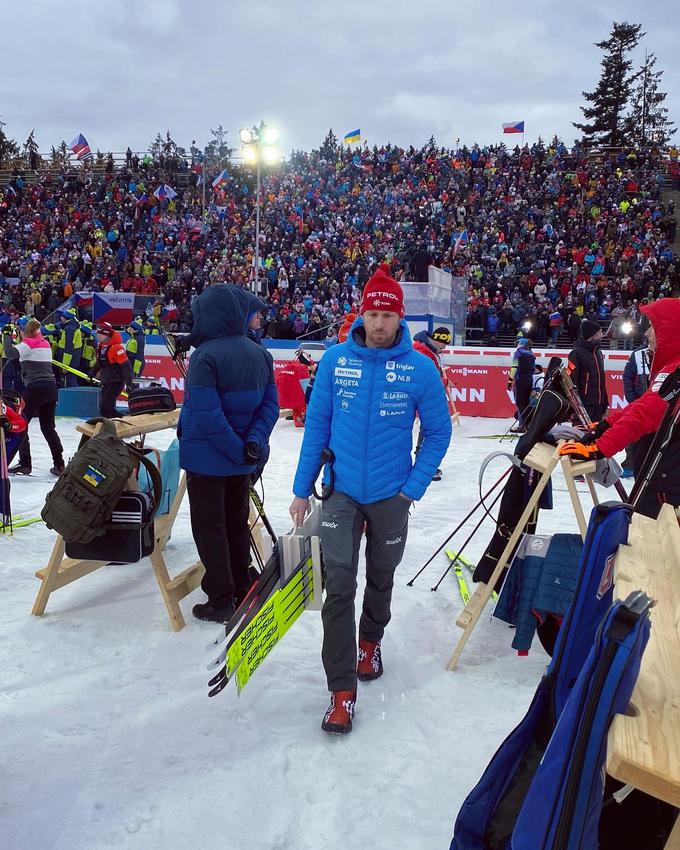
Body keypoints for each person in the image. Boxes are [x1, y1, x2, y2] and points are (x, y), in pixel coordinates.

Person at [289, 265, 452, 734]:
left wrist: (411, 489)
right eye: (373, 313)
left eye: (388, 315)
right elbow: (316, 428)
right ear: (361, 313)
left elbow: (438, 433)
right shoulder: (337, 360)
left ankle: (370, 641)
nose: (379, 323)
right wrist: (302, 489)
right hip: (341, 493)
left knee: (381, 575)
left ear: (401, 319)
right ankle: (341, 691)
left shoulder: (420, 367)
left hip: (390, 496)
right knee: (338, 585)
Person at [178, 283, 279, 624]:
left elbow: (207, 415)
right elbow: (270, 407)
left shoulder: (205, 357)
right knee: (236, 523)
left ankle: (220, 598)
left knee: (210, 527)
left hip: (209, 460)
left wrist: (237, 449)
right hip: (242, 459)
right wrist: (251, 443)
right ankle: (242, 583)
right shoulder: (260, 354)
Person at [559, 300, 680, 519]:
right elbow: (642, 405)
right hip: (663, 477)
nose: (648, 334)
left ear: (670, 332)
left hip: (666, 484)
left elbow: (644, 414)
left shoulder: (675, 371)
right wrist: (605, 426)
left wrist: (599, 448)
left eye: (653, 327)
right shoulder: (672, 367)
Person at [4, 318, 65, 476]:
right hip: (50, 388)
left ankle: (25, 464)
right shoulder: (44, 342)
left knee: (21, 423)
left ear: (24, 330)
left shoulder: (28, 344)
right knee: (48, 428)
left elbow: (10, 353)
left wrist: (6, 336)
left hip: (35, 388)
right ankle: (59, 464)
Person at [413, 325, 453, 480]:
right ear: (437, 340)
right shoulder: (423, 351)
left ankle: (423, 465)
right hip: (424, 397)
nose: (444, 347)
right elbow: (427, 375)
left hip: (426, 396)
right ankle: (423, 467)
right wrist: (444, 381)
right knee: (429, 431)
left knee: (427, 430)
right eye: (444, 344)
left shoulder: (428, 350)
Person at [566, 318, 608, 422]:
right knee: (581, 437)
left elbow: (601, 381)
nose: (602, 335)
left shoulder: (598, 352)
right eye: (599, 333)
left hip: (598, 406)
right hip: (583, 407)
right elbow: (571, 381)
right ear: (591, 335)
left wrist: (605, 404)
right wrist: (577, 406)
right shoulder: (576, 353)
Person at [89, 322, 134, 419]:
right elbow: (100, 362)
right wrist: (93, 372)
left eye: (101, 334)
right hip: (107, 381)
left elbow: (126, 366)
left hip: (116, 382)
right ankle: (122, 421)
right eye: (98, 334)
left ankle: (108, 429)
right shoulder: (101, 346)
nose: (99, 336)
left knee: (104, 408)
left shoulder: (116, 348)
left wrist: (129, 383)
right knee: (109, 408)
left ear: (107, 335)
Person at [620, 345, 651, 478]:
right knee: (633, 435)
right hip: (641, 403)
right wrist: (632, 399)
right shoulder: (638, 354)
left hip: (665, 407)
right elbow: (627, 377)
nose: (647, 334)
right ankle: (629, 465)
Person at [507, 337, 535, 430]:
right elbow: (533, 369)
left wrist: (510, 381)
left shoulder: (518, 353)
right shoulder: (531, 354)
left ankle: (522, 425)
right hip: (529, 380)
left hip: (520, 380)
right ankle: (528, 424)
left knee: (519, 402)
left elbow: (514, 367)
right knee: (526, 402)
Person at [54, 307, 83, 387]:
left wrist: (65, 365)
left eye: (62, 316)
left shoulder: (69, 329)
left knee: (68, 383)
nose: (60, 317)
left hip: (69, 362)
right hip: (73, 360)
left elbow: (69, 348)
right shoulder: (71, 326)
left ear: (66, 318)